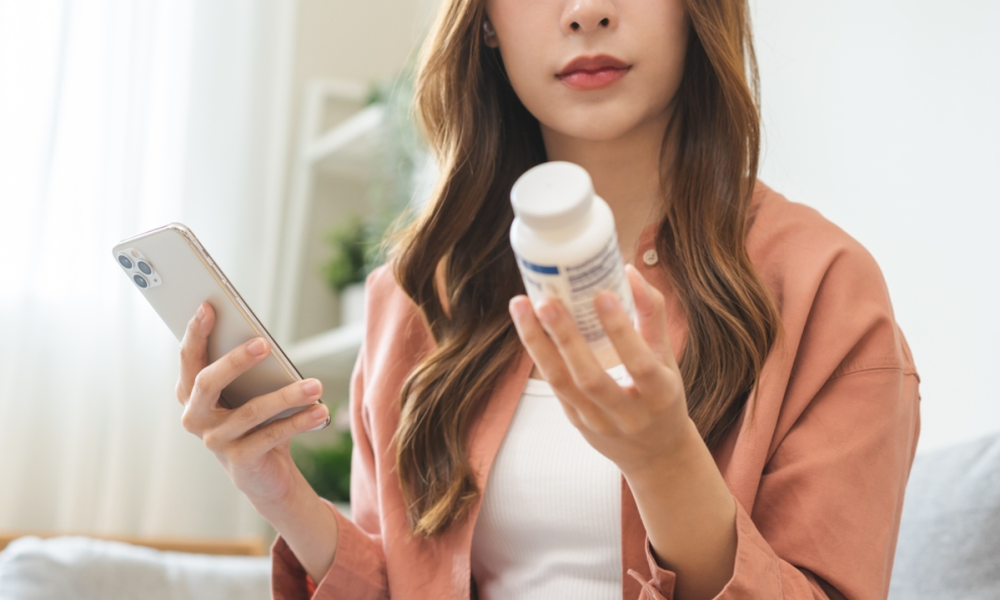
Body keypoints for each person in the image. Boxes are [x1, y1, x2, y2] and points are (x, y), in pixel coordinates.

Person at [175, 0, 920, 598]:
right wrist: (282, 496)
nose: (586, 11)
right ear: (487, 22)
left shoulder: (827, 287)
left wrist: (666, 462)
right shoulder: (416, 296)